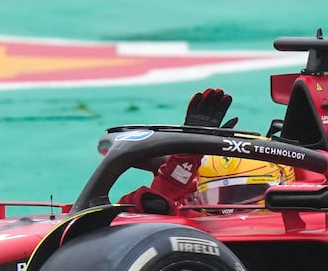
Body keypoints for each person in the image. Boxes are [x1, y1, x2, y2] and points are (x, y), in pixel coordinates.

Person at [119, 88, 290, 213]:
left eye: (245, 194)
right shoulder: (198, 224)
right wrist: (186, 154)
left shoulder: (307, 221)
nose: (229, 210)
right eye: (218, 195)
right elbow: (135, 211)